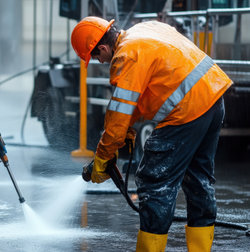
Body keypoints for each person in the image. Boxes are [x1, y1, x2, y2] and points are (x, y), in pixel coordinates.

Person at [71, 17, 232, 251]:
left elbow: (118, 115)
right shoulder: (147, 28)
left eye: (96, 57)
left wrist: (103, 157)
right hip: (214, 98)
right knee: (198, 179)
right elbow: (140, 95)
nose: (100, 61)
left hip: (186, 113)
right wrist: (128, 130)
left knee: (154, 182)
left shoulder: (125, 56)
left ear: (103, 48)